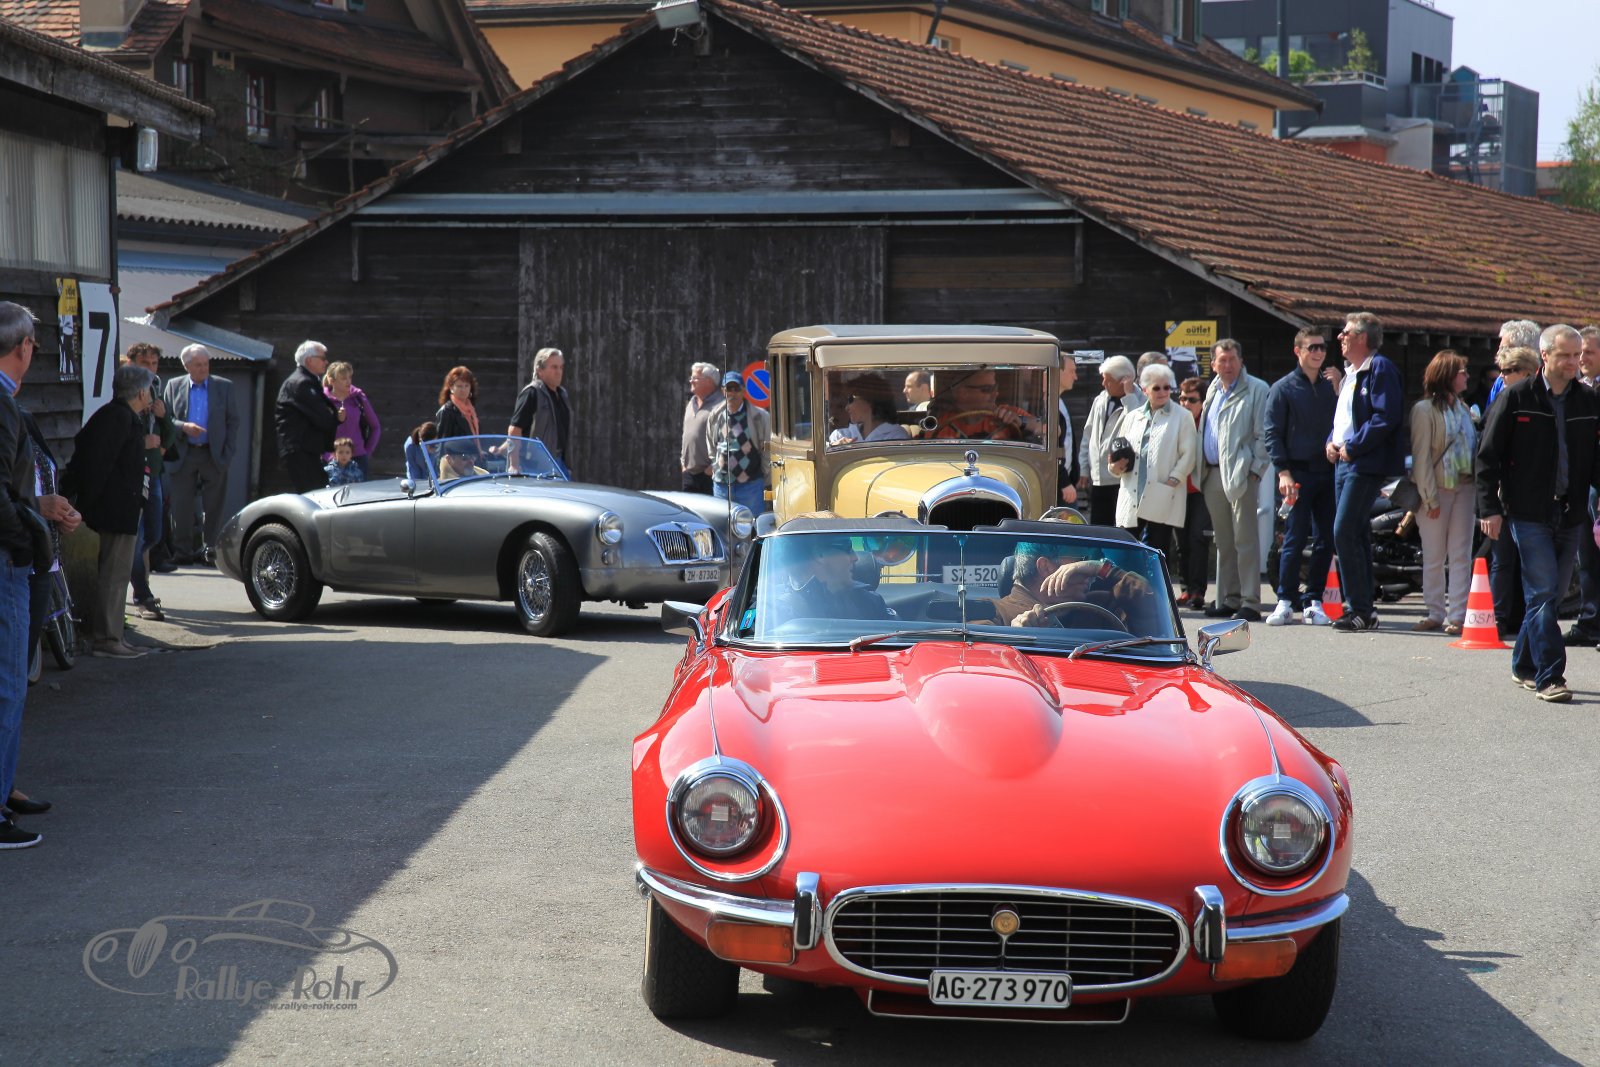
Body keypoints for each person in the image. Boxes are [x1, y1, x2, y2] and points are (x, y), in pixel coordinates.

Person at [1476, 325, 1598, 703]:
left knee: (1550, 596)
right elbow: (1487, 457)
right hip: (1528, 513)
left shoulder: (1588, 401)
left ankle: (1523, 664)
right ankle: (1550, 676)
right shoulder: (1516, 397)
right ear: (1545, 356)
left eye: (1578, 354)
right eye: (1566, 355)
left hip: (1571, 513)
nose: (1574, 362)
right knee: (1543, 591)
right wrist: (1489, 509)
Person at [65, 364, 156, 659]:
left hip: (122, 509)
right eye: (149, 389)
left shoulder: (120, 415)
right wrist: (87, 506)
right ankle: (106, 639)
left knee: (117, 574)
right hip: (115, 511)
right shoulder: (117, 417)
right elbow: (96, 463)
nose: (150, 395)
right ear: (140, 393)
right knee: (114, 576)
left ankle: (114, 635)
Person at [0, 302, 47, 849]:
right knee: (8, 687)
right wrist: (26, 536)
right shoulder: (2, 402)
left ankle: (5, 786)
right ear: (24, 346)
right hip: (4, 560)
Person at [1328, 312, 1406, 632]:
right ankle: (1364, 610)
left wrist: (1353, 446)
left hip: (1364, 463)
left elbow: (1385, 417)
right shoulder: (1351, 373)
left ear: (1362, 337)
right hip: (1344, 462)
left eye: (1345, 332)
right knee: (1355, 532)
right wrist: (1331, 442)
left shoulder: (1379, 368)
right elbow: (1344, 419)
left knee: (1344, 530)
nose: (1340, 337)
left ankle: (1358, 607)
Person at [1264, 328, 1338, 626]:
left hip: (1328, 471)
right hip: (1296, 473)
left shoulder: (1332, 386)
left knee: (1325, 539)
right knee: (1293, 537)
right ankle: (1285, 599)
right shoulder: (1282, 388)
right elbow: (1272, 432)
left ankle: (1314, 600)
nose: (1318, 353)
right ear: (1298, 351)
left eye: (1322, 347)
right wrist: (1282, 471)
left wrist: (1341, 387)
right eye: (1312, 348)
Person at [1198, 339, 1271, 621]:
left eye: (1232, 359)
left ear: (1241, 361)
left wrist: (1255, 469)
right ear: (1214, 364)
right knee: (1224, 541)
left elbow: (1263, 434)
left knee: (1245, 539)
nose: (1227, 365)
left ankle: (1250, 601)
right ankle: (1230, 598)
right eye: (1222, 360)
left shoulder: (1257, 389)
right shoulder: (1213, 389)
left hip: (1241, 473)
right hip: (1212, 473)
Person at [1409, 351, 1478, 635]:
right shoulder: (1424, 410)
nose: (1467, 376)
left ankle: (1458, 615)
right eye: (1461, 372)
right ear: (1447, 375)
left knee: (1461, 554)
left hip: (1466, 487)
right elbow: (1421, 457)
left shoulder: (1464, 408)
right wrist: (1429, 497)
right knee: (1434, 555)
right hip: (1437, 489)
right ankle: (1435, 612)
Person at [1110, 364, 1195, 560]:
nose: (1163, 392)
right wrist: (1114, 467)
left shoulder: (1183, 416)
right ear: (1145, 389)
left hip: (1162, 493)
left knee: (1157, 554)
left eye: (1167, 387)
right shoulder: (1132, 417)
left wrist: (1173, 480)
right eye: (1157, 388)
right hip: (1132, 493)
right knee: (1124, 551)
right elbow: (1117, 450)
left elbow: (1189, 455)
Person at [164, 344, 239, 566]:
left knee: (213, 507)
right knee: (181, 506)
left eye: (206, 364)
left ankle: (210, 551)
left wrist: (227, 453)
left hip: (213, 455)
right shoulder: (174, 386)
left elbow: (233, 421)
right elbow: (166, 419)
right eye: (198, 365)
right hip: (184, 454)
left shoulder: (224, 387)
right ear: (187, 366)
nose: (204, 368)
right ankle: (183, 551)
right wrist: (183, 426)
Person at [1487, 345, 1539, 638]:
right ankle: (1498, 616)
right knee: (1503, 558)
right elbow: (1487, 451)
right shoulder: (1503, 399)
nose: (1502, 377)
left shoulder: (1544, 400)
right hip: (1505, 492)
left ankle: (1522, 618)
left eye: (1509, 371)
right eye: (1502, 371)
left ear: (1527, 372)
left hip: (1534, 494)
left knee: (1526, 560)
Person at [124, 345, 176, 617]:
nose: (150, 368)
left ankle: (127, 568)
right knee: (138, 536)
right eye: (145, 363)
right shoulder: (124, 391)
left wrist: (163, 418)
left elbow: (170, 435)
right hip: (132, 473)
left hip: (153, 473)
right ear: (131, 363)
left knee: (154, 534)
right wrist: (142, 443)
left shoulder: (156, 389)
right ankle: (142, 595)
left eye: (154, 363)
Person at [994, 541, 1154, 628]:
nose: (1088, 571)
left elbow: (1154, 612)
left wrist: (1102, 569)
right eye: (1081, 560)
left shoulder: (1102, 607)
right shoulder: (995, 611)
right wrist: (1013, 638)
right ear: (1045, 566)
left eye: (1089, 564)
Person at [1562, 325, 1600, 647]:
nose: (1581, 358)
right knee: (1585, 555)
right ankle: (1590, 622)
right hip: (1579, 481)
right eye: (1578, 353)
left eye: (1588, 352)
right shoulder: (1574, 390)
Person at [1078, 356, 1142, 526]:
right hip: (1098, 478)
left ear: (1124, 381)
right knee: (1098, 528)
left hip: (1123, 479)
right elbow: (1088, 435)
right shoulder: (1100, 400)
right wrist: (1084, 468)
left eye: (1108, 380)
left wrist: (1129, 397)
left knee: (1122, 527)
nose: (1103, 384)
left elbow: (1137, 426)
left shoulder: (1140, 401)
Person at [777, 536, 893, 620]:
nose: (855, 557)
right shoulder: (779, 612)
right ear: (819, 555)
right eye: (847, 548)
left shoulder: (871, 602)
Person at [275, 341, 340, 492]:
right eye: (322, 358)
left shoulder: (307, 381)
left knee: (318, 491)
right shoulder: (301, 383)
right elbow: (323, 417)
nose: (326, 362)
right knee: (314, 494)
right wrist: (334, 416)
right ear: (310, 360)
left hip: (306, 450)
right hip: (300, 450)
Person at [708, 370, 770, 514]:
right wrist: (715, 466)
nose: (732, 393)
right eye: (729, 389)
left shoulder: (759, 416)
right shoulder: (715, 415)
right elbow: (711, 446)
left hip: (750, 486)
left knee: (752, 524)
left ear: (743, 391)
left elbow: (767, 450)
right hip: (722, 486)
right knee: (722, 525)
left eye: (736, 389)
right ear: (723, 391)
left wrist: (765, 476)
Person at [508, 348, 573, 477]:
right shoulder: (532, 393)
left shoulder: (562, 394)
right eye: (554, 367)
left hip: (559, 462)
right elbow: (514, 429)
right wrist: (514, 465)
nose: (559, 372)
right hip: (534, 465)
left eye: (561, 367)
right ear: (540, 370)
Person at [929, 368, 1042, 442]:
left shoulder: (1008, 413)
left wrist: (1021, 421)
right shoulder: (941, 423)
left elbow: (1048, 429)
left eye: (995, 388)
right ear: (961, 392)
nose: (995, 393)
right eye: (987, 389)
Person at [1174, 377, 1210, 609]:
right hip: (1178, 488)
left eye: (1191, 400)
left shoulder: (1206, 422)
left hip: (1200, 488)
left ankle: (1198, 591)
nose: (1185, 404)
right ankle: (1186, 589)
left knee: (1198, 538)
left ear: (1202, 402)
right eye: (1182, 399)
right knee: (1181, 542)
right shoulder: (1176, 420)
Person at [322, 361, 381, 479]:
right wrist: (327, 455)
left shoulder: (358, 398)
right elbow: (314, 430)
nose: (348, 381)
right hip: (331, 460)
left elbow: (376, 427)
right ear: (332, 381)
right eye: (344, 378)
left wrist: (367, 452)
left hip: (358, 459)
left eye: (350, 377)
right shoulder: (322, 400)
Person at [829, 375, 909, 445]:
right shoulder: (839, 435)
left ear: (869, 399)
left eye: (851, 399)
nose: (847, 407)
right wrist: (834, 449)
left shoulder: (895, 436)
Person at [680, 362, 723, 493]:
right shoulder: (691, 403)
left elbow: (727, 440)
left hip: (709, 475)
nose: (691, 381)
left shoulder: (721, 406)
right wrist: (683, 463)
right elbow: (686, 435)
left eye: (695, 378)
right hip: (689, 474)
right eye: (691, 378)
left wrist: (712, 468)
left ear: (709, 381)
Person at [1057, 355, 1080, 505]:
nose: (1075, 377)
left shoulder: (1060, 402)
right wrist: (1064, 481)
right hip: (1059, 487)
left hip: (1067, 484)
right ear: (1058, 371)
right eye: (1072, 371)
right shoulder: (1048, 404)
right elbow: (1054, 446)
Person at [434, 365, 480, 441]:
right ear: (451, 388)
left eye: (466, 386)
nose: (463, 390)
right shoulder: (446, 411)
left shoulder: (472, 410)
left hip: (472, 449)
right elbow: (442, 442)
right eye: (459, 386)